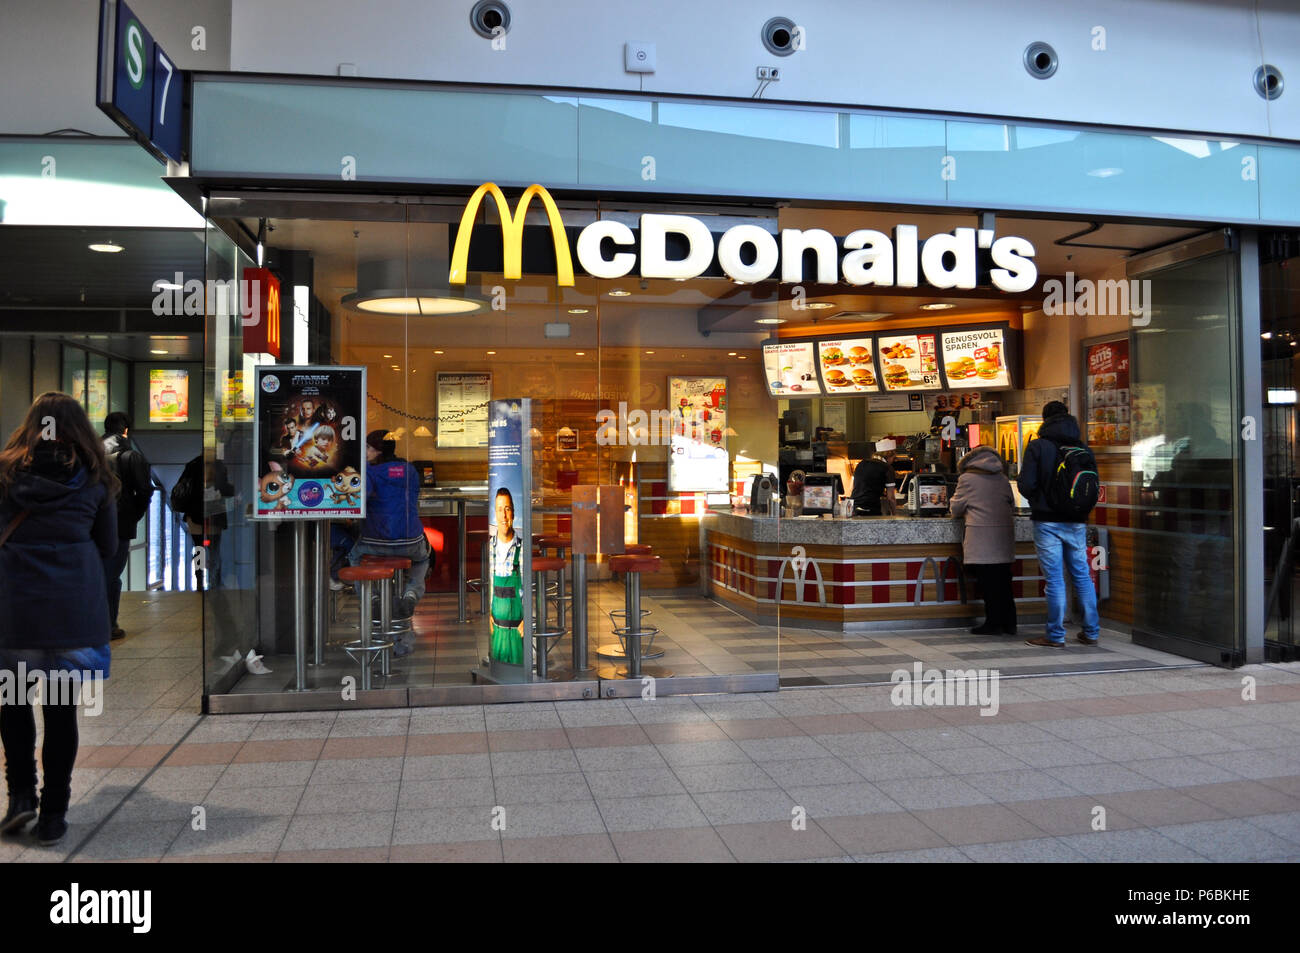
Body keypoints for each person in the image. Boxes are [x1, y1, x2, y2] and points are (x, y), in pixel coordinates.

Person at [0, 392, 118, 846]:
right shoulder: (95, 478)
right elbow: (107, 547)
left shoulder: (7, 473)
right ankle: (54, 814)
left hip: (16, 609)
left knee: (12, 704)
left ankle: (20, 798)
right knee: (61, 711)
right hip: (70, 610)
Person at [1017, 400, 1099, 647]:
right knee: (1082, 575)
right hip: (1076, 521)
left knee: (1055, 579)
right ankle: (1091, 632)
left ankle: (1055, 635)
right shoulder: (1082, 448)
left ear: (1045, 420)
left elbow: (1026, 485)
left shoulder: (1038, 446)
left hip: (1047, 522)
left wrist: (1040, 500)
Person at [348, 431, 430, 657]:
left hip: (375, 542)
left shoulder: (370, 472)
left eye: (367, 448)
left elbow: (359, 499)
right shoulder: (410, 470)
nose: (364, 452)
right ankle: (411, 594)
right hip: (410, 541)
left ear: (376, 451)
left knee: (353, 557)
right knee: (422, 558)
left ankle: (373, 597)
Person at [950, 444, 1017, 635]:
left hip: (981, 537)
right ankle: (1010, 623)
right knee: (1004, 582)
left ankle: (993, 623)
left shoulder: (967, 479)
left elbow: (956, 508)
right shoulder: (1003, 478)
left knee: (988, 583)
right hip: (1003, 536)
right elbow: (1011, 505)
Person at [101, 412, 154, 640]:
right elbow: (144, 491)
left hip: (89, 524)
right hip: (119, 524)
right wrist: (133, 516)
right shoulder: (131, 456)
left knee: (96, 573)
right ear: (125, 431)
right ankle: (109, 624)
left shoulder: (89, 454)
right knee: (112, 576)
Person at [175, 453, 235, 590]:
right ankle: (215, 581)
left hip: (194, 512)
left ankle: (199, 581)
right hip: (213, 512)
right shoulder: (219, 465)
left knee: (198, 549)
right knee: (214, 550)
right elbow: (225, 489)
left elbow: (183, 487)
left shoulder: (192, 465)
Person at [488, 487, 524, 665]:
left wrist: (528, 621)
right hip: (496, 631)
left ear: (514, 513)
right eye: (500, 509)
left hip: (518, 631)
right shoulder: (489, 549)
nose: (503, 516)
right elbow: (488, 588)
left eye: (507, 509)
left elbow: (529, 590)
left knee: (518, 675)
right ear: (495, 513)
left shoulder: (522, 549)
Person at [848, 445, 897, 516]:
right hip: (871, 509)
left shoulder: (861, 463)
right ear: (888, 455)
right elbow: (891, 498)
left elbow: (855, 487)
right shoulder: (887, 468)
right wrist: (895, 515)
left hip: (854, 508)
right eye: (893, 458)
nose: (893, 461)